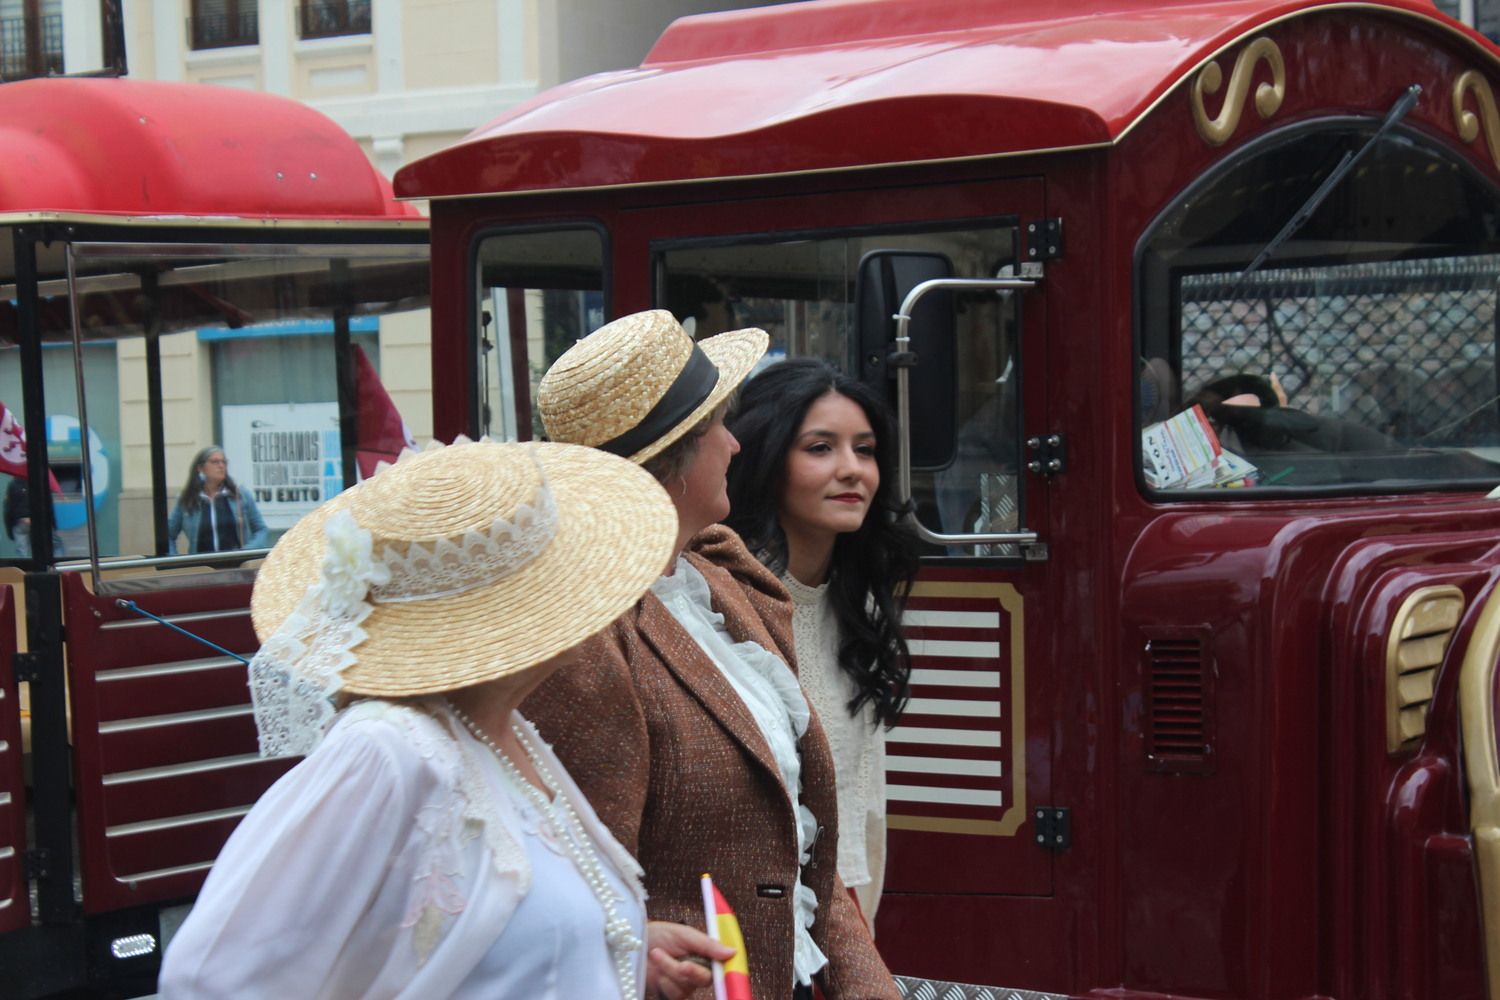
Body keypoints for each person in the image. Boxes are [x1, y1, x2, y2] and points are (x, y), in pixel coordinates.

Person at [158, 438, 730, 999]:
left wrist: (617, 953)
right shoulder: (387, 750)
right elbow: (208, 980)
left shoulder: (500, 734)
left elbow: (483, 942)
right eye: (558, 573)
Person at [524, 309, 900, 1000]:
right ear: (674, 461)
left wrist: (868, 986)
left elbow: (805, 851)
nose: (734, 444)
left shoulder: (724, 586)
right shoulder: (589, 641)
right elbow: (583, 889)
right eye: (717, 427)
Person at [723, 359, 919, 931]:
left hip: (846, 921)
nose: (852, 469)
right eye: (820, 448)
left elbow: (867, 806)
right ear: (766, 459)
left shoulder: (858, 606)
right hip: (760, 928)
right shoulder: (722, 604)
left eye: (865, 449)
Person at [166, 445, 268, 553]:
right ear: (200, 468)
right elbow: (168, 535)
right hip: (202, 566)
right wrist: (175, 561)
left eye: (224, 462)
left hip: (237, 565)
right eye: (215, 462)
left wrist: (247, 552)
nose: (221, 466)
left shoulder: (240, 495)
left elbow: (261, 530)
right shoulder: (187, 499)